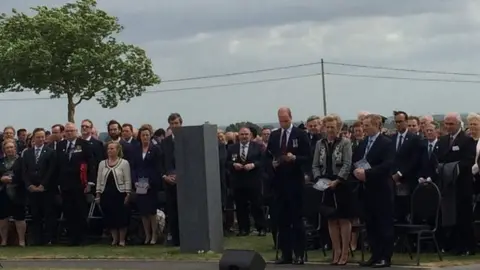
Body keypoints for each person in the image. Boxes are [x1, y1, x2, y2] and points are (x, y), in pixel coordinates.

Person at [267, 107, 311, 265]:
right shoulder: (274, 135)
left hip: (295, 182)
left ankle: (300, 254)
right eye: (280, 120)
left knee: (296, 220)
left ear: (291, 117)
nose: (283, 123)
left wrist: (295, 158)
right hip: (279, 183)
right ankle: (286, 254)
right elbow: (268, 155)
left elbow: (307, 157)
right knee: (282, 220)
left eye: (285, 120)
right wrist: (272, 164)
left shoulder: (300, 135)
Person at [352, 114, 394, 268]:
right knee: (371, 225)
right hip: (366, 189)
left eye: (367, 125)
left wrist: (368, 173)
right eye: (363, 125)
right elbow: (356, 160)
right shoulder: (362, 143)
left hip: (381, 189)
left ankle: (385, 256)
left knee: (384, 223)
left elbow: (387, 164)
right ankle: (375, 255)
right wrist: (356, 171)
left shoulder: (386, 143)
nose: (364, 127)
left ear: (377, 125)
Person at [312, 115, 353, 265]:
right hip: (325, 184)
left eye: (333, 127)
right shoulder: (319, 143)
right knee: (330, 218)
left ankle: (345, 251)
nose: (330, 130)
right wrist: (318, 178)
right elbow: (315, 164)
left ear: (339, 128)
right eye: (328, 127)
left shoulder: (345, 143)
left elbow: (347, 164)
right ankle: (336, 250)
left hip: (341, 184)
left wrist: (338, 180)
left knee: (343, 218)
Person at [56, 122, 95, 246]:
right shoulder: (61, 145)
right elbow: (58, 165)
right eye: (67, 131)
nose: (69, 133)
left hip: (80, 184)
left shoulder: (84, 145)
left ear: (76, 131)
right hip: (65, 185)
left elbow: (91, 164)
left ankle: (83, 237)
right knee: (68, 211)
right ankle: (72, 238)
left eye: (71, 131)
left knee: (81, 211)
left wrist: (90, 182)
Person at [22, 128, 57, 246]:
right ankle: (37, 239)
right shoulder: (27, 153)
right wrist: (29, 185)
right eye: (38, 137)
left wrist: (43, 185)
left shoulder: (50, 152)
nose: (41, 139)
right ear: (33, 138)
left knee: (48, 214)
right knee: (35, 215)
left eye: (43, 137)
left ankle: (48, 239)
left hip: (46, 189)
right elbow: (24, 171)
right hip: (32, 190)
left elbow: (51, 170)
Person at [96, 141, 131, 246]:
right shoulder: (102, 163)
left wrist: (128, 193)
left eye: (112, 149)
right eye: (108, 149)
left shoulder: (124, 163)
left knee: (121, 217)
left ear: (118, 150)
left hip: (120, 193)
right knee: (110, 217)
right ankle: (114, 239)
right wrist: (98, 193)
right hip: (106, 193)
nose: (110, 151)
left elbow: (127, 179)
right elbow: (99, 178)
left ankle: (122, 240)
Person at [133, 127, 162, 245]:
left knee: (151, 211)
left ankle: (154, 235)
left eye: (147, 135)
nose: (145, 137)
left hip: (151, 183)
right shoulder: (136, 150)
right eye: (143, 135)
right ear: (140, 136)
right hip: (139, 182)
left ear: (150, 136)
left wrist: (151, 182)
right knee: (143, 210)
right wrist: (135, 181)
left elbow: (157, 167)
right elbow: (133, 167)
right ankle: (147, 235)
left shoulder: (155, 149)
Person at [0, 139, 26, 246]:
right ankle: (4, 240)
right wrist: (1, 179)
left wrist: (13, 180)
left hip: (18, 192)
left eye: (11, 147)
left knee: (19, 217)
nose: (9, 149)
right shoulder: (0, 161)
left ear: (15, 148)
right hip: (3, 192)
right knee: (3, 217)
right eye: (7, 148)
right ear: (4, 150)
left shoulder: (22, 160)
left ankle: (21, 241)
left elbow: (25, 175)